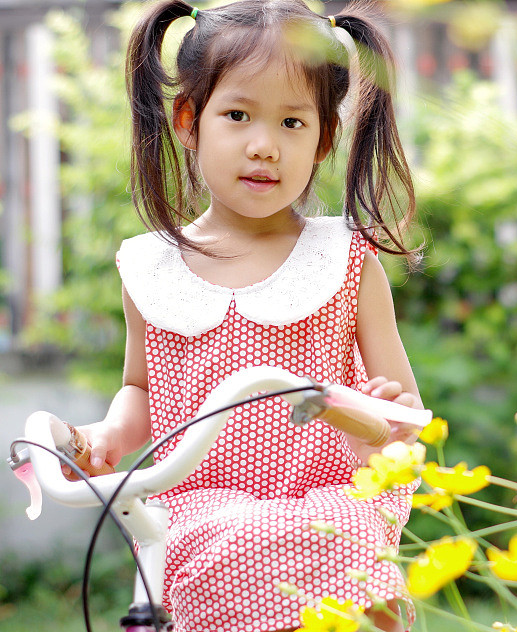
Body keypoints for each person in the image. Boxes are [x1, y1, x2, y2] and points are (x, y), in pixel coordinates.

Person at [72, 0, 424, 630]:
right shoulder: (152, 267)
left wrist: (370, 416)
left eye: (293, 122)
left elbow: (403, 417)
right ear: (188, 120)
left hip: (330, 498)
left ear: (323, 141)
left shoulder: (344, 258)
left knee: (341, 550)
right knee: (228, 545)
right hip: (200, 503)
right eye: (238, 115)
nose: (264, 146)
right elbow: (142, 389)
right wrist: (109, 436)